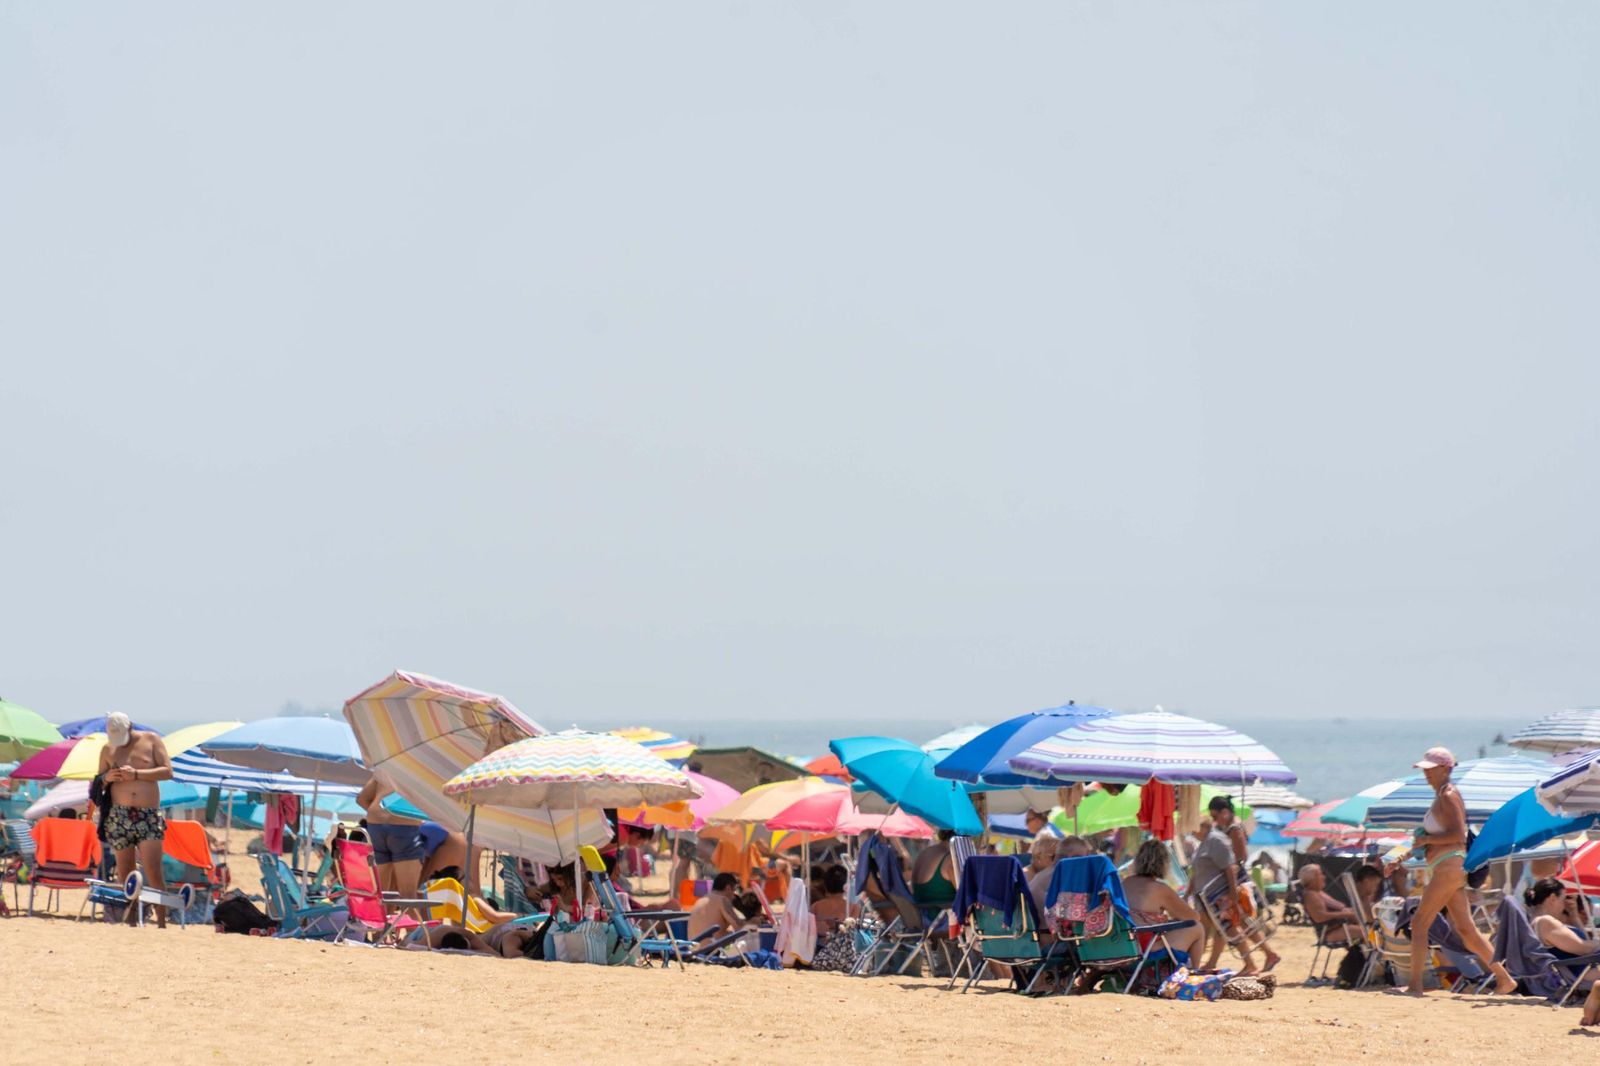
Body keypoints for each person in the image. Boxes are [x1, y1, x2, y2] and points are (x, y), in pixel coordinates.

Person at [1399, 747, 1515, 995]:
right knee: (1466, 931)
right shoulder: (1442, 795)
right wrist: (1408, 852)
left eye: (1430, 770)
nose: (1426, 774)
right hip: (1447, 867)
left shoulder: (1448, 795)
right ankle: (1504, 979)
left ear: (1445, 769)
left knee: (1419, 923)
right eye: (1424, 770)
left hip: (1449, 867)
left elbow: (1457, 836)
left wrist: (1425, 842)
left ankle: (1415, 985)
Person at [95, 712, 173, 928]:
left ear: (129, 728)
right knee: (125, 871)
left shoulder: (151, 740)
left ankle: (161, 920)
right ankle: (130, 918)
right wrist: (107, 778)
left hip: (148, 814)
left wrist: (136, 774)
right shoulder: (108, 749)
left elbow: (168, 771)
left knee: (153, 870)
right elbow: (98, 782)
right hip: (119, 815)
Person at [1190, 795, 1279, 974]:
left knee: (1232, 926)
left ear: (1225, 812)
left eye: (1215, 817)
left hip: (1230, 887)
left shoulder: (1233, 829)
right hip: (1223, 888)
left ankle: (1256, 960)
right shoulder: (1222, 831)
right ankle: (1265, 955)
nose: (1214, 821)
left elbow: (1238, 860)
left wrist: (1232, 889)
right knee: (1234, 925)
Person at [1123, 839, 1205, 959]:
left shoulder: (1125, 883)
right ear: (1163, 863)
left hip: (1126, 948)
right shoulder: (1159, 888)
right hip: (1146, 949)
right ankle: (1192, 972)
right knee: (1197, 927)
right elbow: (1193, 918)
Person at [356, 773, 426, 905]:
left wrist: (381, 814)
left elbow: (362, 799)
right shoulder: (419, 767)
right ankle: (415, 926)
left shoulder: (387, 766)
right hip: (404, 824)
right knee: (408, 896)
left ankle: (381, 925)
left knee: (379, 894)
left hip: (375, 825)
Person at [1299, 863, 1362, 945]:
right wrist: (1344, 914)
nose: (1324, 877)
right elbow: (1320, 917)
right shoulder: (1311, 895)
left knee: (1370, 930)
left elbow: (1339, 905)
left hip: (1338, 927)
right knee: (1368, 933)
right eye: (1320, 874)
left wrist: (1348, 911)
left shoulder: (1318, 892)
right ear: (1312, 879)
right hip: (1330, 932)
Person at [687, 872, 753, 940]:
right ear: (728, 888)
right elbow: (739, 926)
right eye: (734, 890)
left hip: (694, 948)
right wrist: (753, 921)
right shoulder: (722, 900)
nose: (734, 897)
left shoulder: (701, 900)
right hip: (711, 948)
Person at [911, 830, 958, 908]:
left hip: (920, 915)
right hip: (940, 917)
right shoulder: (950, 860)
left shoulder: (925, 852)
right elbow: (965, 894)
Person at [1025, 835, 1061, 914]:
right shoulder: (1024, 876)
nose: (1058, 862)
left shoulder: (1050, 875)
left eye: (1061, 858)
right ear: (1038, 857)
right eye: (1054, 857)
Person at [810, 864, 851, 935]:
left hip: (819, 944)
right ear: (846, 886)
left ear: (825, 884)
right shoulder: (853, 907)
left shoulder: (815, 906)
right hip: (844, 944)